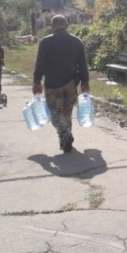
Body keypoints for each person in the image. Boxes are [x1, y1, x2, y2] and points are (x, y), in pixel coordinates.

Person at [32, 15, 89, 153]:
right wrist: (85, 82)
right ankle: (64, 143)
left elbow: (40, 64)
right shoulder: (77, 41)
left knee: (56, 113)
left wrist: (37, 81)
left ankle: (65, 134)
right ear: (67, 25)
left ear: (52, 26)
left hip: (53, 83)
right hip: (71, 83)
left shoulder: (46, 42)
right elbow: (82, 64)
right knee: (67, 113)